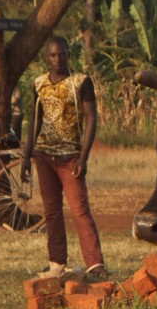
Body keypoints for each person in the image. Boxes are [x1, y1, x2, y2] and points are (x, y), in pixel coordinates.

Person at [27, 36, 106, 281]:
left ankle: (95, 264)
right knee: (52, 212)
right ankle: (57, 263)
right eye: (53, 55)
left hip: (70, 155)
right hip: (44, 155)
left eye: (62, 54)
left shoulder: (80, 82)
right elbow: (35, 120)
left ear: (68, 55)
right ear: (46, 58)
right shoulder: (39, 83)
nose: (58, 59)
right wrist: (25, 156)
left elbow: (91, 118)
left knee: (79, 210)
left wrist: (84, 156)